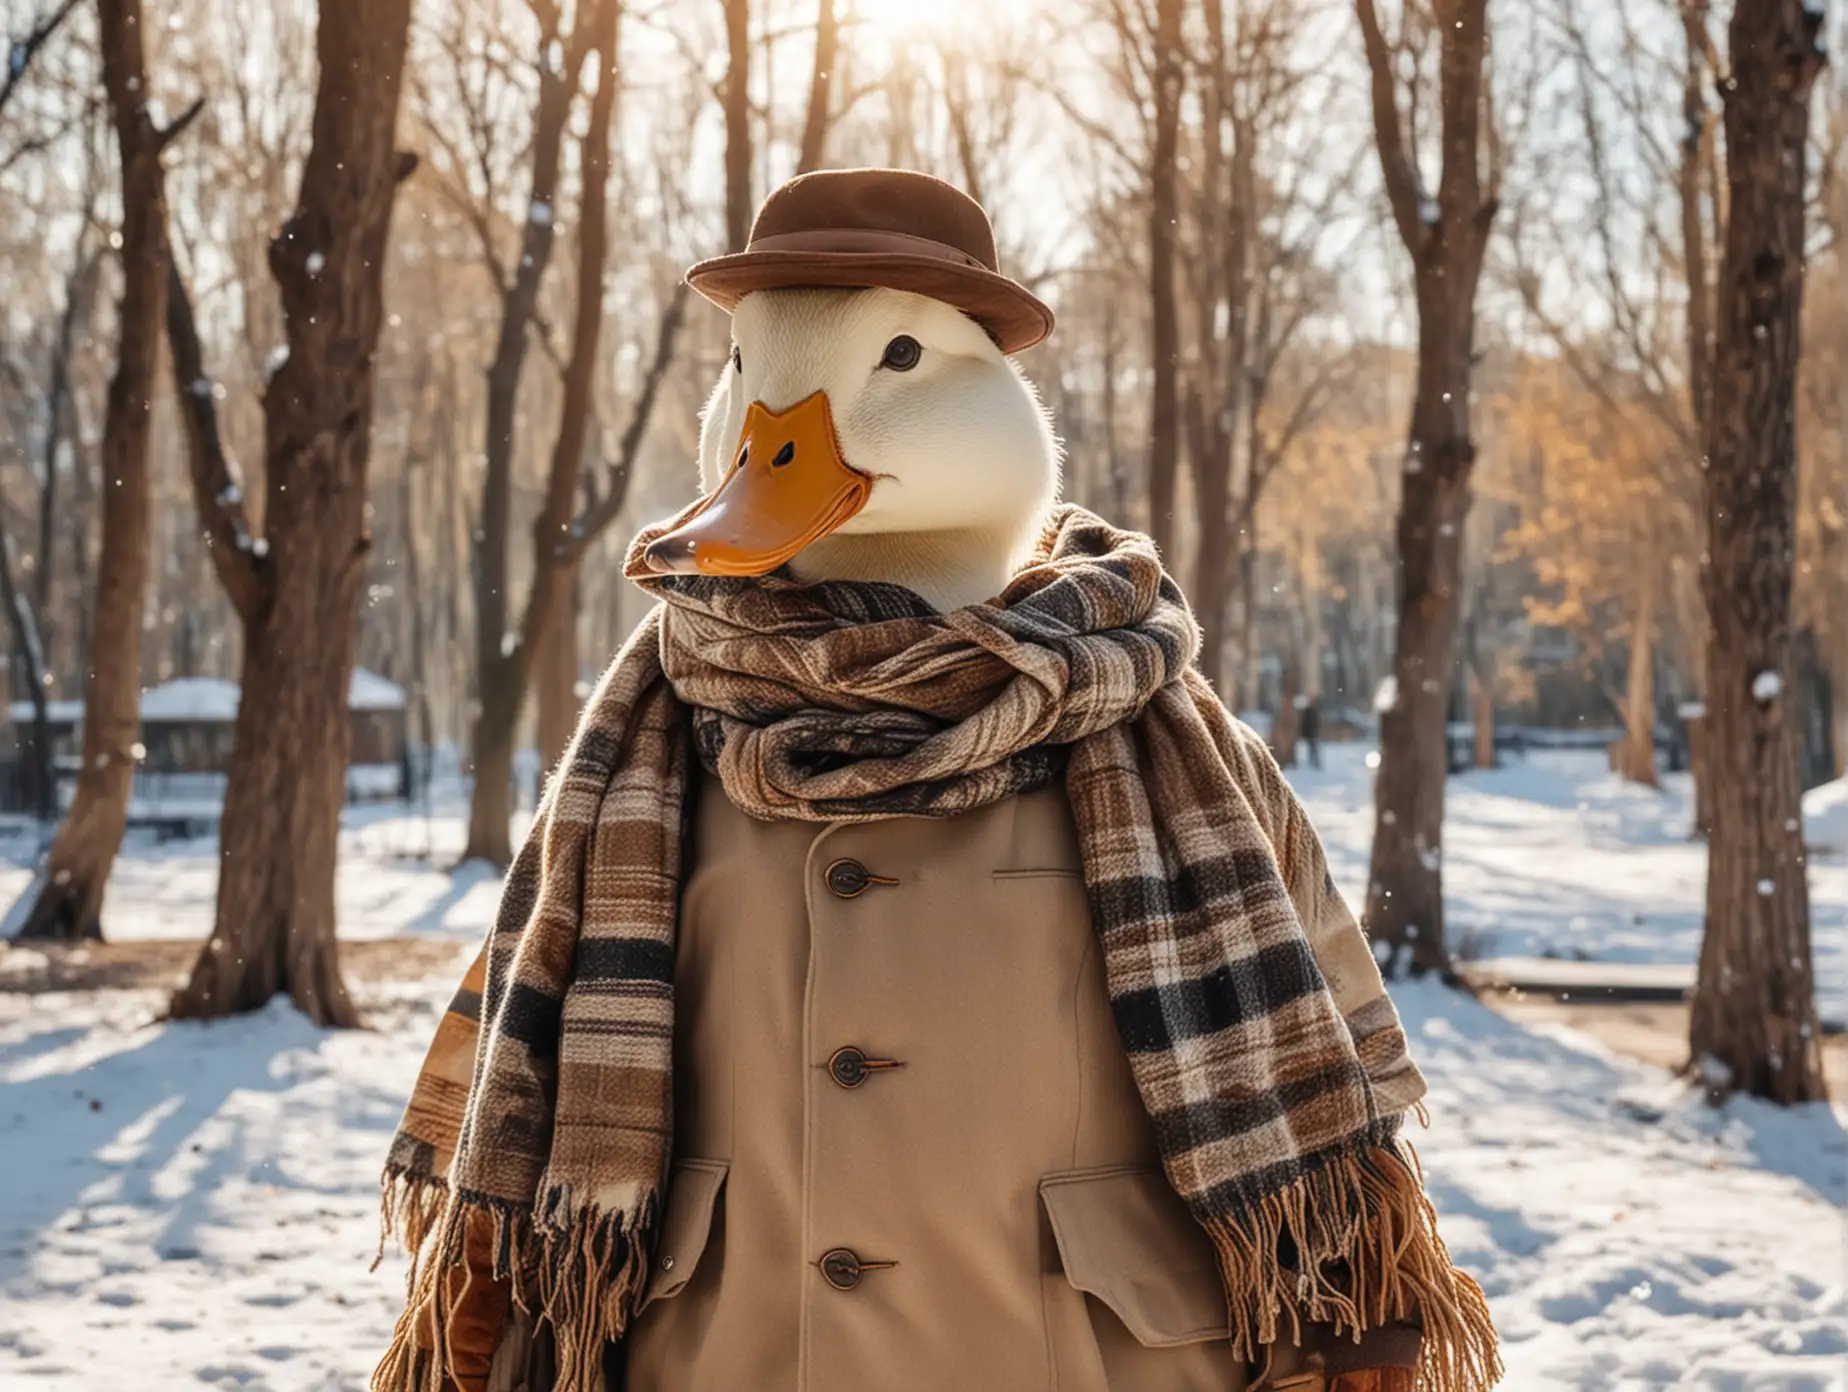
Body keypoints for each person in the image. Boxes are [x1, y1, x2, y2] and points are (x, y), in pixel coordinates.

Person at [374, 169, 1499, 1392]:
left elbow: (1324, 1138)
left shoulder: (1175, 751)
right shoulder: (642, 753)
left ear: (1000, 396)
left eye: (891, 358)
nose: (775, 428)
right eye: (754, 373)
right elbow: (523, 1124)